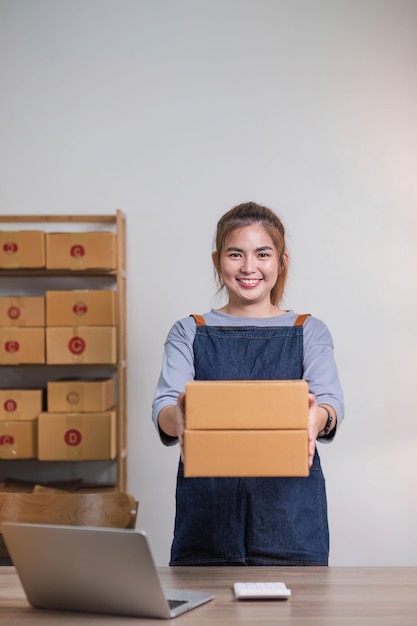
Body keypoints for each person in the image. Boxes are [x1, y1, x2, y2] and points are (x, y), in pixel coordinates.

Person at [152, 201, 344, 566]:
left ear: (281, 262)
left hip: (292, 519)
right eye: (235, 254)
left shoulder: (310, 330)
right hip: (206, 519)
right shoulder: (189, 330)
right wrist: (180, 417)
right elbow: (164, 406)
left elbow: (330, 403)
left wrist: (315, 418)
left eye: (263, 254)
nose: (249, 267)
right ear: (217, 261)